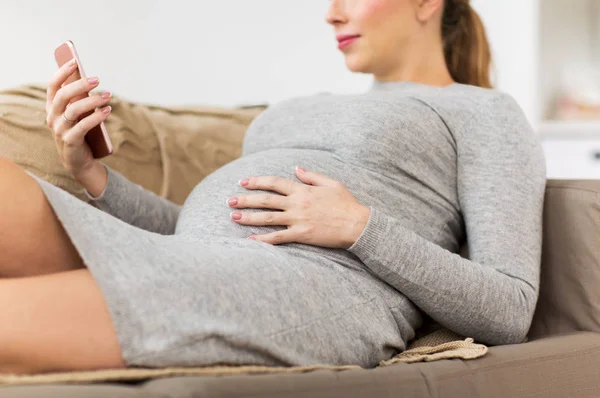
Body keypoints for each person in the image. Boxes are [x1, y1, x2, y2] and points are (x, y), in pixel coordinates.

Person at [0, 0, 546, 375]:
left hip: (317, 290)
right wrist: (92, 175)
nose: (332, 13)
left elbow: (511, 308)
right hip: (201, 257)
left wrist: (361, 228)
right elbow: (223, 225)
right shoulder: (308, 105)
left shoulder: (482, 111)